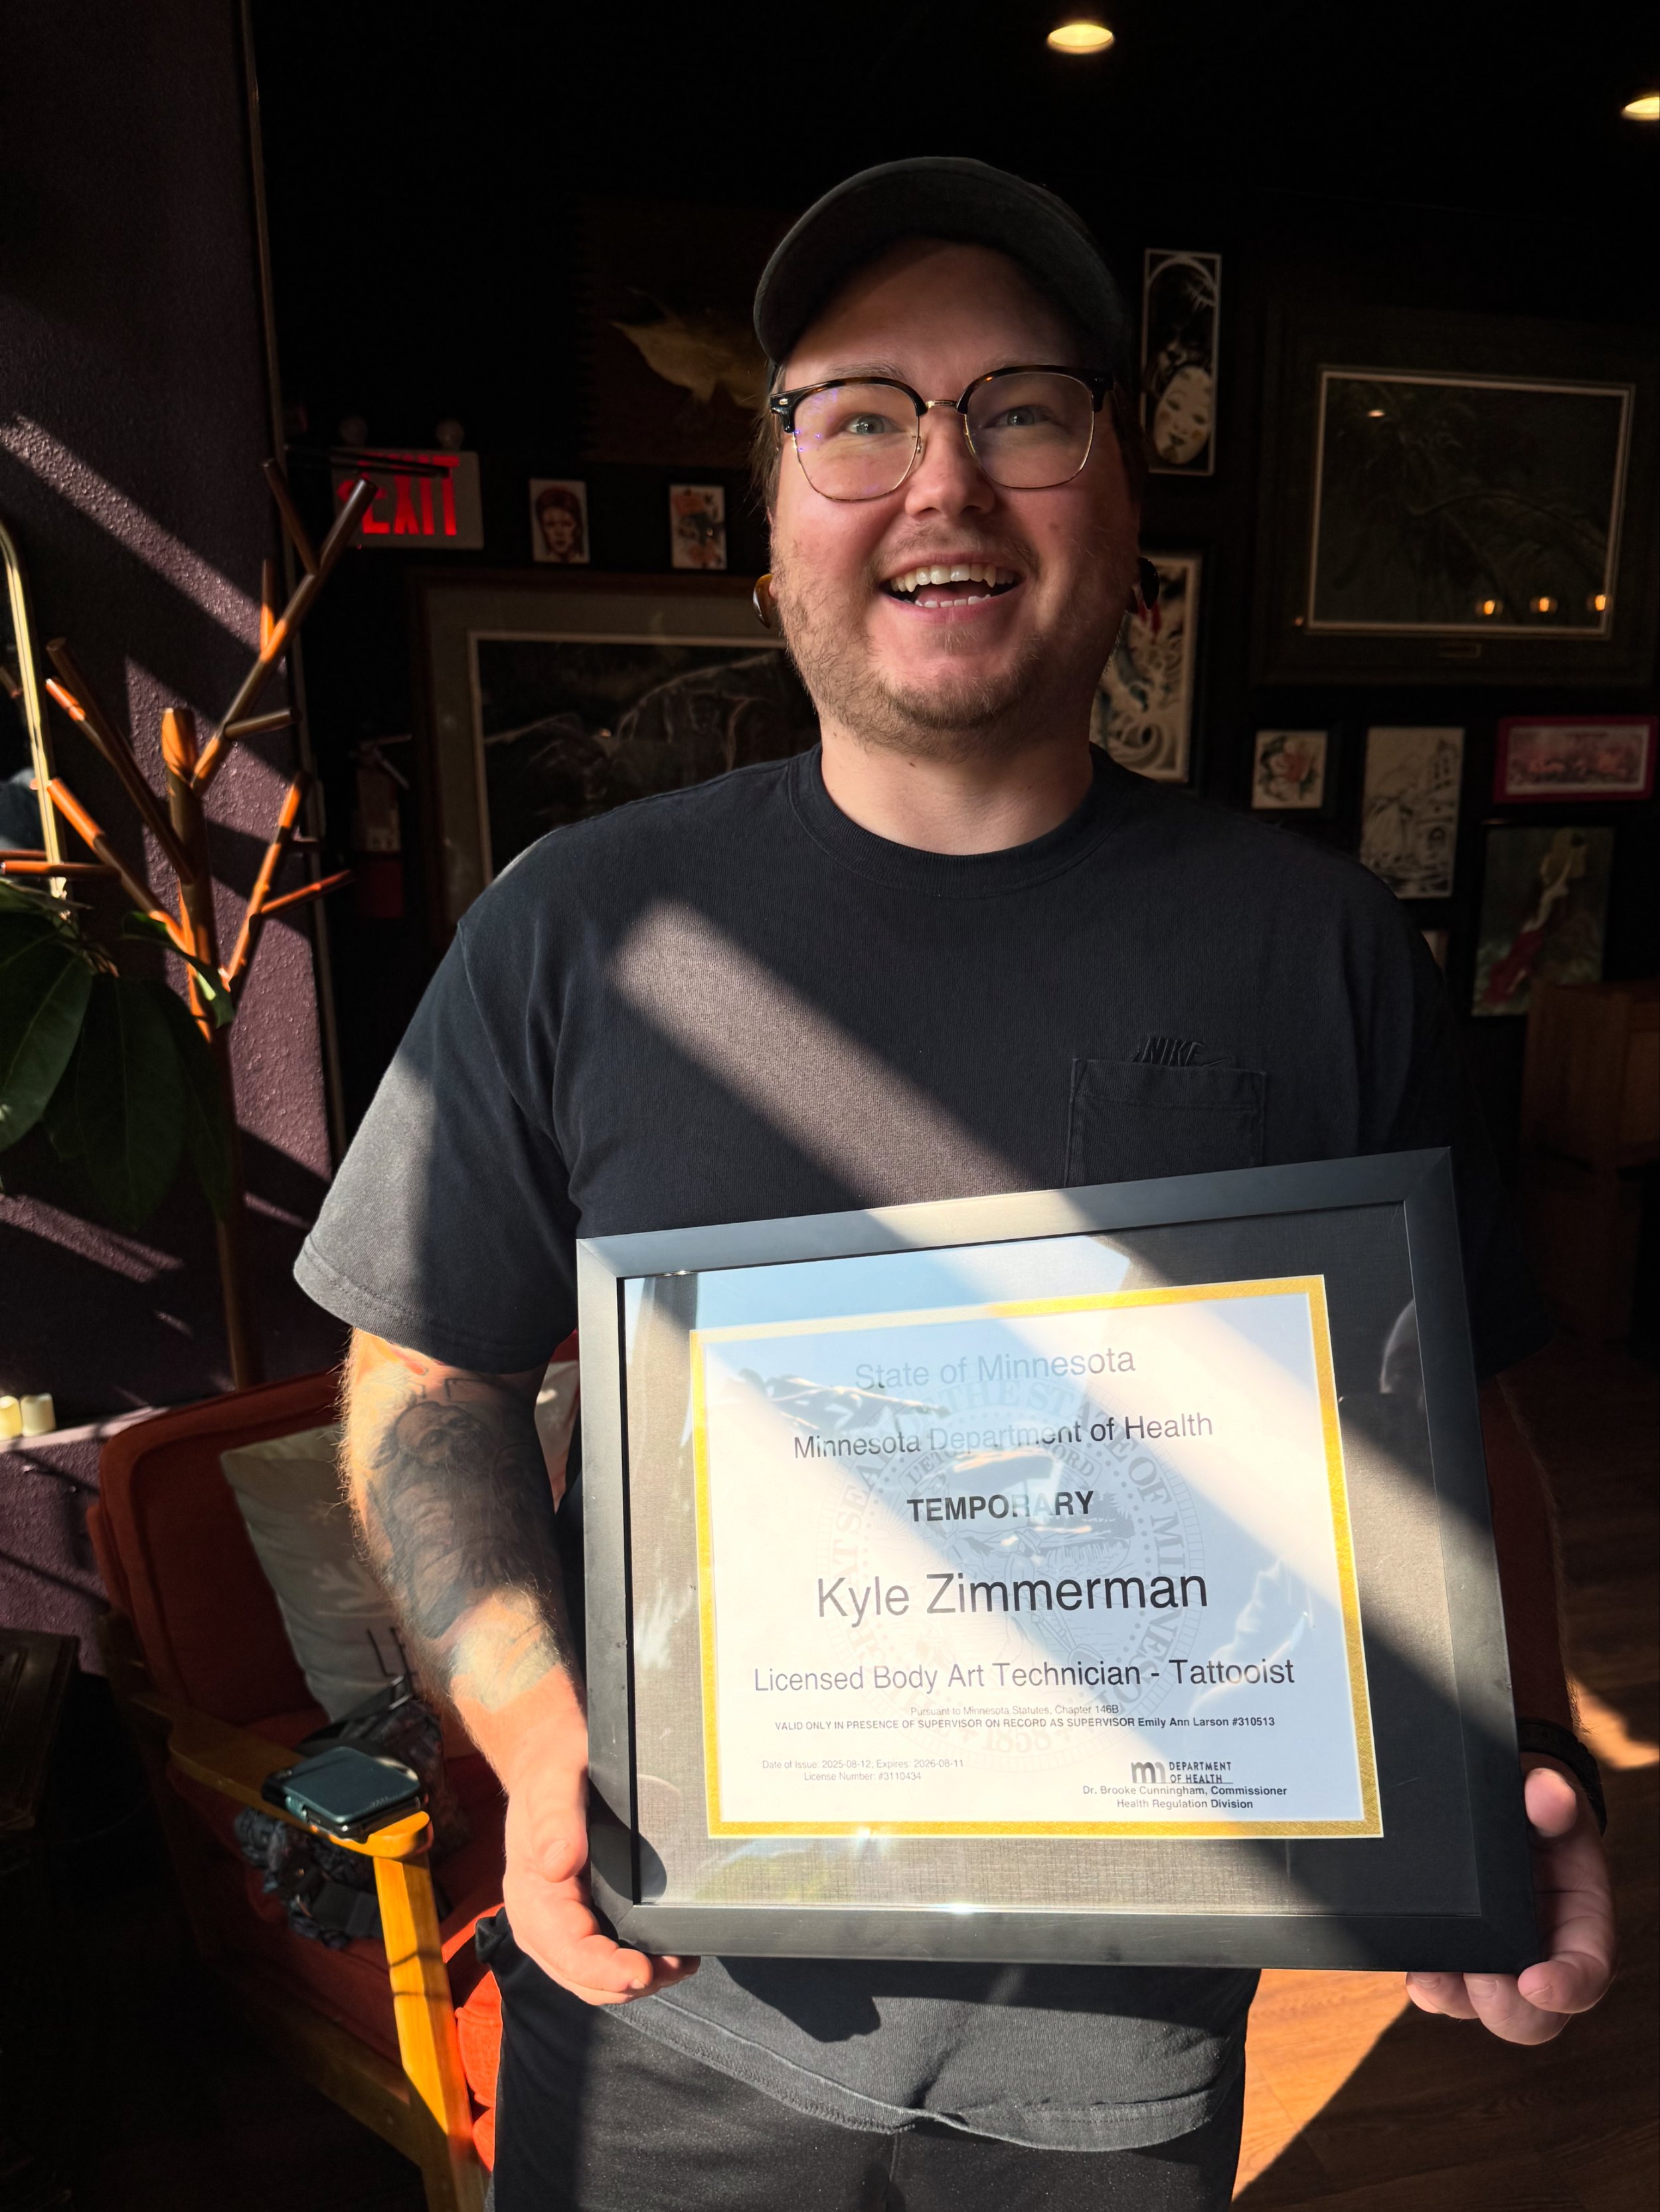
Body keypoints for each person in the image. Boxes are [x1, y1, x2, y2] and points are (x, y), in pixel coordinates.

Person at [297, 157, 1614, 2212]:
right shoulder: (577, 930)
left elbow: (1460, 1411)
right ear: (769, 536)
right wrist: (535, 1730)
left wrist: (1498, 1788)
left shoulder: (1315, 946)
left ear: (1125, 526)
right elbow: (422, 1375)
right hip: (663, 1997)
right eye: (858, 416)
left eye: (1020, 410)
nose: (942, 480)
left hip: (1121, 2039)